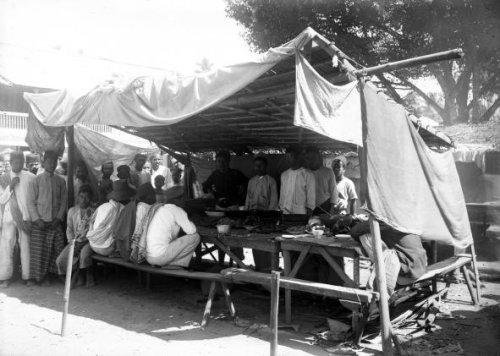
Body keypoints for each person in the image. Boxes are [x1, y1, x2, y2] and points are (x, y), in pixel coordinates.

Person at [350, 221, 428, 295]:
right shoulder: (406, 221)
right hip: (421, 269)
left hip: (407, 274)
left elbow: (354, 231)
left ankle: (380, 273)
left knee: (365, 236)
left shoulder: (383, 221)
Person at [27, 150, 67, 285]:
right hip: (39, 223)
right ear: (43, 162)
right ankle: (39, 278)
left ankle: (52, 275)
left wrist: (58, 218)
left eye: (54, 161)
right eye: (49, 161)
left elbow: (63, 202)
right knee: (39, 252)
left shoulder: (61, 181)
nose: (51, 164)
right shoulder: (36, 180)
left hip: (55, 223)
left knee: (58, 248)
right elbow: (30, 202)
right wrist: (37, 220)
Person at [0, 152, 36, 287]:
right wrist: (11, 186)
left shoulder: (30, 177)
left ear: (23, 162)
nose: (18, 164)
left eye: (21, 161)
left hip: (25, 217)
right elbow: (1, 200)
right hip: (9, 217)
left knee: (26, 246)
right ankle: (5, 277)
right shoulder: (4, 178)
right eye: (15, 162)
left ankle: (28, 277)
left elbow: (33, 198)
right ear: (11, 162)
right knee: (6, 246)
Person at [55, 185, 95, 287]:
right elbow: (69, 229)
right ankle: (67, 279)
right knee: (60, 260)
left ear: (90, 198)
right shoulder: (72, 211)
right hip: (75, 241)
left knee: (84, 254)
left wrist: (84, 241)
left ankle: (85, 276)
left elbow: (94, 231)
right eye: (81, 196)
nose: (84, 200)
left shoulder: (93, 212)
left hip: (89, 242)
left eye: (86, 197)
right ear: (77, 197)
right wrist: (72, 242)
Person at [86, 180, 136, 256]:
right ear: (126, 197)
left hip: (93, 245)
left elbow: (92, 223)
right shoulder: (122, 209)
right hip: (107, 248)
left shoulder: (102, 206)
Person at [145, 204, 200, 268]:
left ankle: (169, 263)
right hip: (159, 257)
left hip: (148, 257)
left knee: (172, 238)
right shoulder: (175, 209)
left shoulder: (158, 208)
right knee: (195, 237)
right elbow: (192, 230)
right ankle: (175, 264)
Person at [279, 147, 316, 215]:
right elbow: (282, 195)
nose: (288, 159)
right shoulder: (284, 175)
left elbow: (311, 196)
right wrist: (281, 209)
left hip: (301, 213)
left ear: (298, 157)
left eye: (291, 156)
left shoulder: (308, 175)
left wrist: (309, 211)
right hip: (285, 212)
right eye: (287, 156)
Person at [305, 147, 338, 214]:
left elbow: (333, 191)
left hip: (325, 206)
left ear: (318, 157)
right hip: (308, 208)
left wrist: (332, 208)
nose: (311, 160)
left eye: (313, 158)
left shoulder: (328, 172)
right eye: (309, 158)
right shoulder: (304, 173)